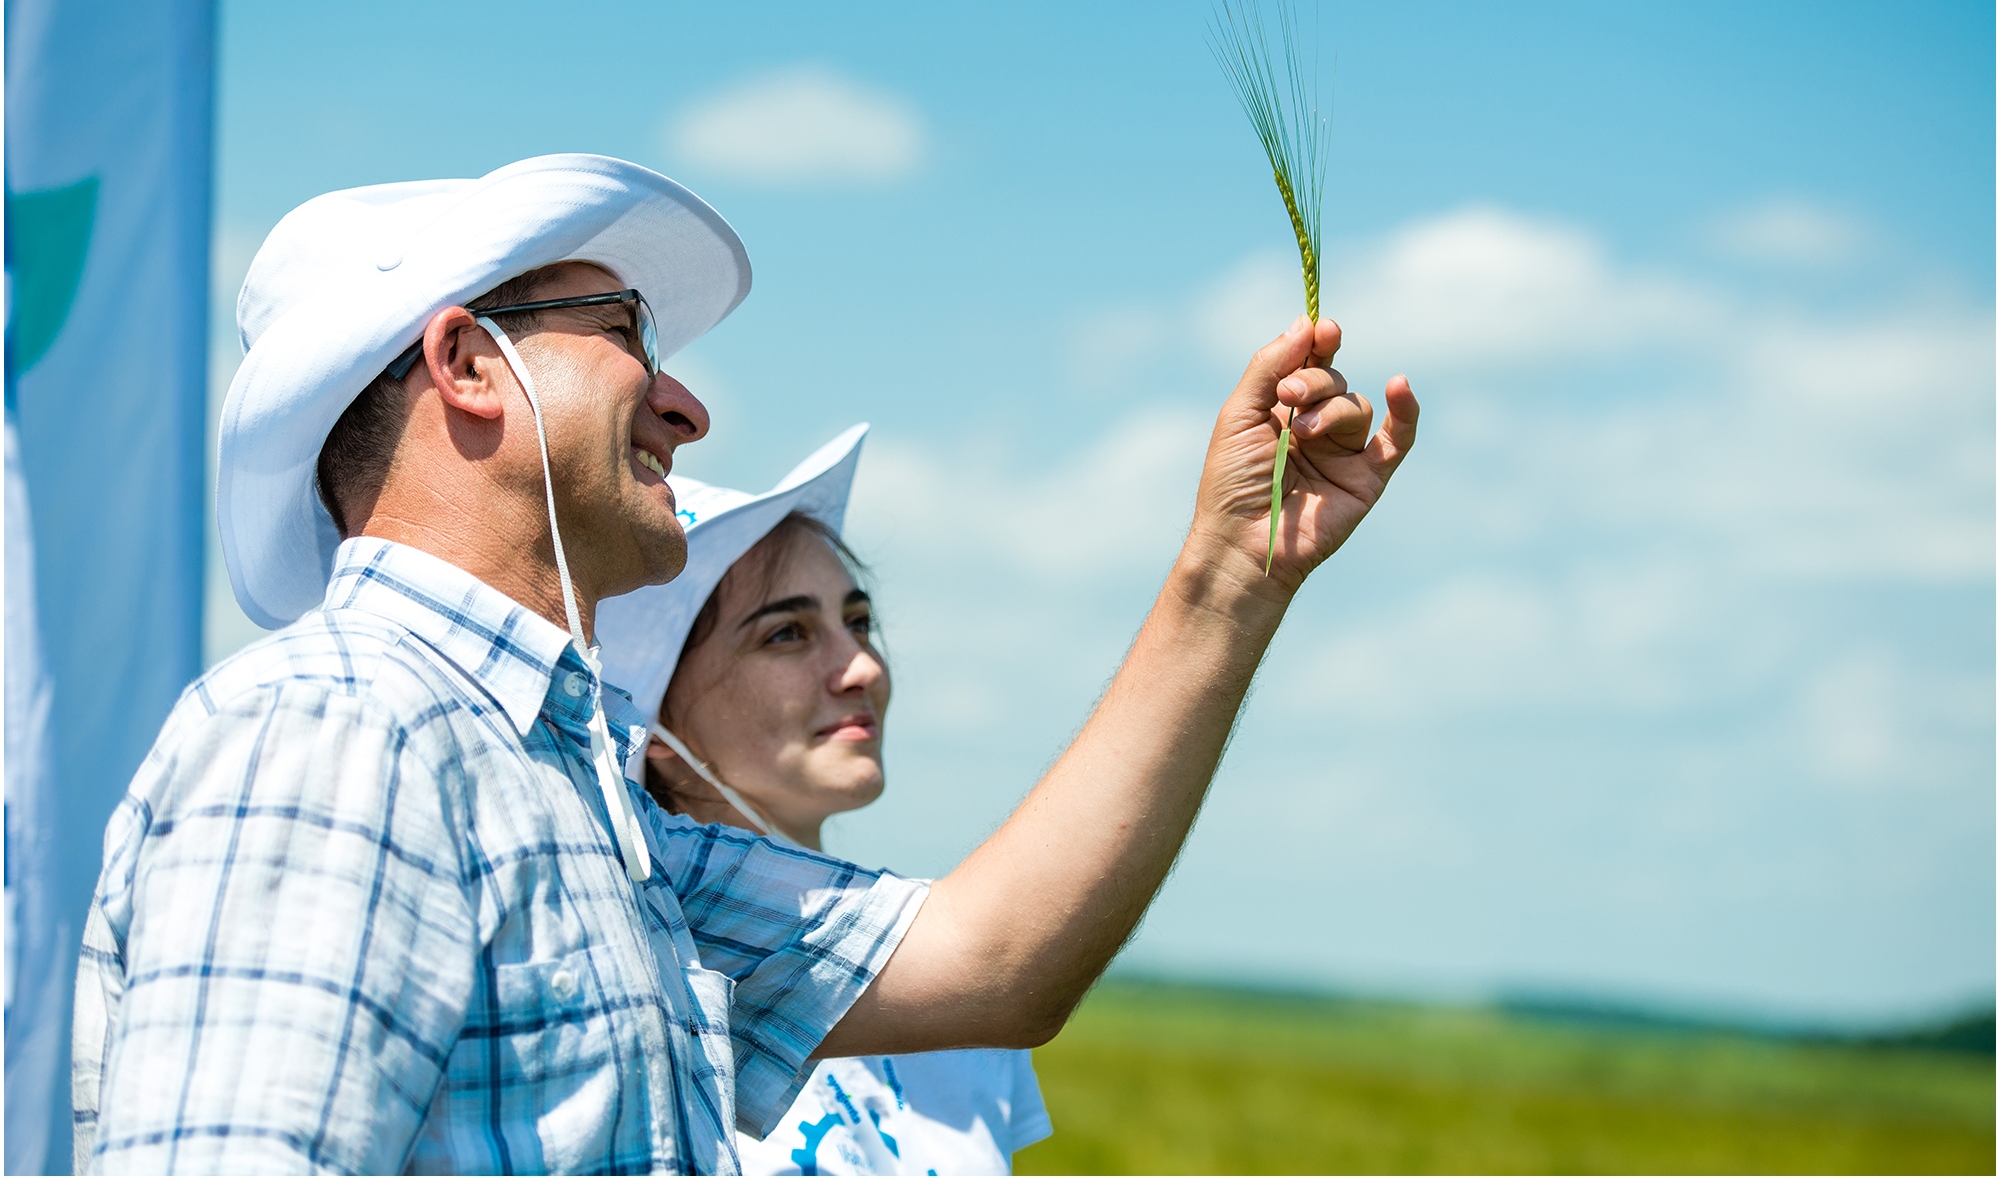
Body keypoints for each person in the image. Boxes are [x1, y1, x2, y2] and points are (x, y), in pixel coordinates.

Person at [72, 154, 1418, 1175]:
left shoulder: (573, 791)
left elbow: (993, 960)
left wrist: (1234, 569)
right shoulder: (342, 732)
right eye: (624, 331)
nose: (684, 400)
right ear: (469, 365)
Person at [594, 425, 1053, 1175]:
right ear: (657, 720)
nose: (862, 665)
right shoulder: (636, 988)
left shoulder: (949, 964)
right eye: (787, 634)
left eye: (858, 621)